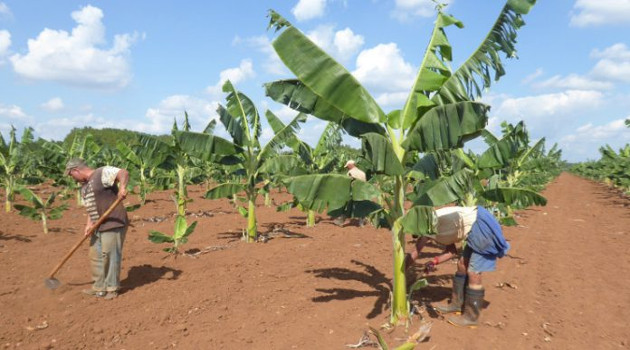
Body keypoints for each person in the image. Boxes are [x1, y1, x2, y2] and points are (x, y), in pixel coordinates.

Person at [406, 205, 509, 327]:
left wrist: (400, 270)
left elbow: (416, 251)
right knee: (461, 265)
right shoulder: (433, 226)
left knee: (473, 272)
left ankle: (471, 317)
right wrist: (434, 261)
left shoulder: (433, 222)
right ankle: (456, 304)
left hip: (480, 224)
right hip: (473, 227)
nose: (420, 238)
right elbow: (452, 251)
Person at [65, 158, 129, 300]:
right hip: (97, 225)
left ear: (76, 170)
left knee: (110, 255)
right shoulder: (85, 186)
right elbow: (90, 207)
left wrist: (123, 187)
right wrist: (88, 224)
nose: (72, 178)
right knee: (95, 256)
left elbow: (123, 173)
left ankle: (112, 288)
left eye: (71, 175)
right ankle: (99, 287)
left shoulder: (101, 173)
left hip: (113, 222)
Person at [333, 160, 367, 226]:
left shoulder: (351, 172)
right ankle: (361, 223)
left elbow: (348, 183)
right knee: (361, 208)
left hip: (353, 192)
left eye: (347, 166)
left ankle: (340, 221)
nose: (347, 168)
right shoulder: (362, 173)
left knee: (348, 207)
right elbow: (365, 183)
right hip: (362, 193)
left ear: (350, 165)